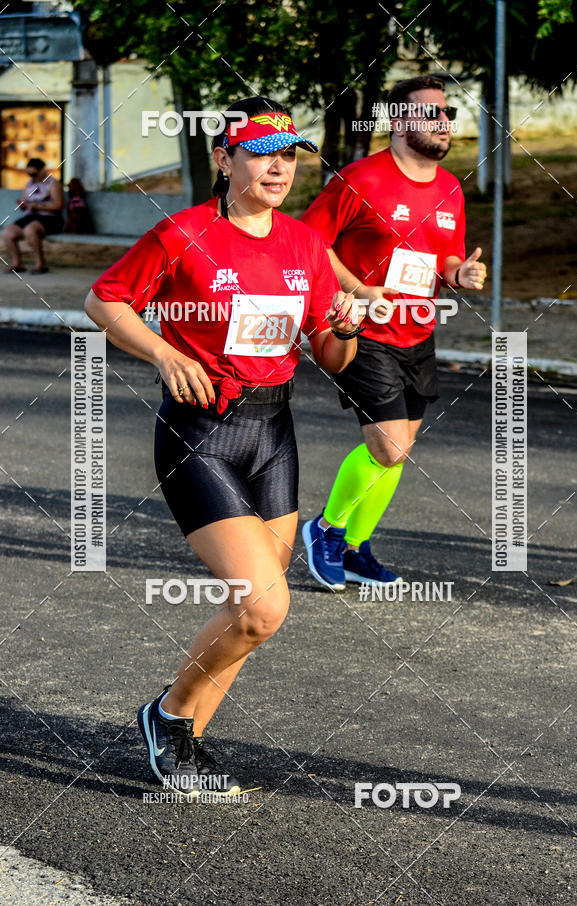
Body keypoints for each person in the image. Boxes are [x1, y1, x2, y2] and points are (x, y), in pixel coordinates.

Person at [84, 96, 363, 798]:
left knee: (251, 612)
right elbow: (105, 300)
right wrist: (160, 353)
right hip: (200, 430)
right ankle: (168, 716)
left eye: (289, 155)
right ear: (224, 159)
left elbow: (332, 355)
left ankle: (186, 743)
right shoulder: (184, 232)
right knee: (263, 605)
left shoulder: (303, 244)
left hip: (274, 433)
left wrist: (349, 322)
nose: (279, 167)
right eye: (262, 153)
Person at [301, 75, 487, 591]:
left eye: (447, 113)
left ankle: (357, 547)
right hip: (364, 329)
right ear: (399, 122)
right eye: (431, 113)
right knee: (387, 446)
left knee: (399, 448)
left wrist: (458, 274)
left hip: (417, 331)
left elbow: (443, 255)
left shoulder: (450, 186)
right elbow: (311, 245)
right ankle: (326, 529)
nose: (443, 122)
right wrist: (358, 291)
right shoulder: (360, 179)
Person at [2, 158, 64, 274]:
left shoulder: (53, 183)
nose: (32, 177)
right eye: (30, 174)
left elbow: (58, 206)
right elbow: (25, 202)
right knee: (7, 232)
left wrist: (38, 207)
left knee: (30, 230)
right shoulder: (30, 184)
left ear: (42, 170)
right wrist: (23, 204)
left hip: (50, 218)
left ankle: (41, 264)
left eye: (34, 174)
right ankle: (17, 263)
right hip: (31, 217)